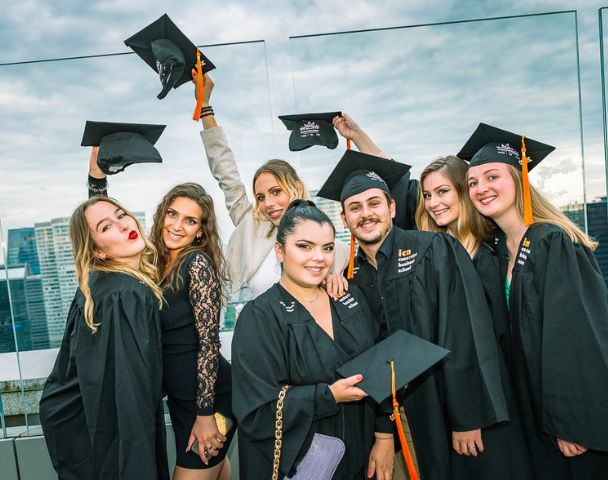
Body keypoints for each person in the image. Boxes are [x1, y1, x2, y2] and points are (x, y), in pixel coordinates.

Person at [461, 122, 608, 479]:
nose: (481, 189)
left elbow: (575, 337)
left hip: (572, 421)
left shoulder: (551, 242)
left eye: (492, 177)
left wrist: (574, 423)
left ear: (519, 178)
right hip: (537, 416)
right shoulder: (500, 251)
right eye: (473, 183)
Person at [316, 150, 509, 479]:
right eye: (355, 207)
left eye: (374, 203)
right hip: (403, 415)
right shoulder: (353, 279)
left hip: (450, 407)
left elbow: (466, 332)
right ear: (344, 218)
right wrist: (384, 431)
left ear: (391, 207)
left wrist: (468, 416)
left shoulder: (433, 249)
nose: (366, 214)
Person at [88, 151, 236, 479]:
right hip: (182, 401)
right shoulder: (152, 261)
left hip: (209, 403)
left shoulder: (196, 265)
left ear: (201, 231)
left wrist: (205, 414)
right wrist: (96, 182)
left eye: (190, 220)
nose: (177, 225)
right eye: (173, 214)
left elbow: (209, 344)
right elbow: (105, 231)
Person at [232, 200, 395, 479]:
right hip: (305, 463)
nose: (319, 257)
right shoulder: (260, 317)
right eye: (304, 246)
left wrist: (384, 437)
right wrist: (327, 396)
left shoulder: (349, 298)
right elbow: (255, 411)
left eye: (328, 248)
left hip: (362, 452)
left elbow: (381, 368)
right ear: (280, 251)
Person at [418, 155, 534, 479]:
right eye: (427, 196)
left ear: (462, 193)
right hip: (456, 406)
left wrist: (471, 415)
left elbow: (490, 346)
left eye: (442, 192)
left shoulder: (486, 258)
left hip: (491, 410)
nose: (433, 203)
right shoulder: (439, 259)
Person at [39, 195, 169, 479]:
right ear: (97, 251)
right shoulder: (125, 293)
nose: (123, 226)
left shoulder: (103, 283)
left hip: (76, 425)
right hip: (101, 432)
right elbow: (129, 390)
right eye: (106, 227)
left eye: (121, 215)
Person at [196, 74, 350, 299]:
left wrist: (336, 278)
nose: (268, 203)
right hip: (262, 330)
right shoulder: (251, 227)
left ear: (296, 187)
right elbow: (226, 173)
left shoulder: (335, 249)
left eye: (276, 192)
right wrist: (205, 106)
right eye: (260, 197)